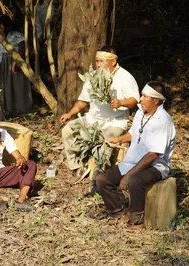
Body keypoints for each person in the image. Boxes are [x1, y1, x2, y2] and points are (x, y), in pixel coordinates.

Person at [95, 82, 176, 226]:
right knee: (102, 179)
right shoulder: (140, 112)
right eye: (141, 95)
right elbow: (134, 133)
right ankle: (116, 211)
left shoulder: (163, 121)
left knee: (134, 180)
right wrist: (119, 139)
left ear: (155, 100)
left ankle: (137, 219)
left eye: (145, 96)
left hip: (155, 166)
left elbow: (153, 155)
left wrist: (128, 175)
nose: (140, 99)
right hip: (133, 161)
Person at [60, 46, 140, 174]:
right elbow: (83, 100)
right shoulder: (93, 76)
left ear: (113, 61)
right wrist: (70, 114)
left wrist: (121, 102)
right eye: (96, 61)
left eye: (101, 61)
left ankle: (99, 176)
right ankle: (77, 168)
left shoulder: (125, 77)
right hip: (92, 119)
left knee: (106, 141)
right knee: (67, 131)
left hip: (114, 122)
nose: (97, 65)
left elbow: (134, 99)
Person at [0, 14, 32, 114]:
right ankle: (9, 107)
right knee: (7, 85)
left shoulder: (15, 34)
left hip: (14, 60)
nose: (1, 27)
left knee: (17, 85)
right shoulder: (0, 35)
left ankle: (19, 107)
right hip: (4, 61)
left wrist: (19, 62)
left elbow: (22, 48)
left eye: (2, 24)